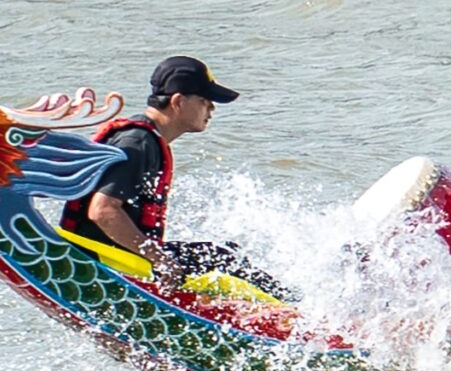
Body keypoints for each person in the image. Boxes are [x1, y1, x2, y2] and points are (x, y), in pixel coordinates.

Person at [59, 55, 287, 293]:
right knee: (226, 263)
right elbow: (103, 211)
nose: (212, 108)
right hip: (105, 262)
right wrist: (161, 260)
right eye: (205, 100)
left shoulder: (144, 139)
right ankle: (294, 316)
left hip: (113, 255)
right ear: (178, 102)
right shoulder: (138, 143)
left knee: (225, 254)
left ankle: (293, 308)